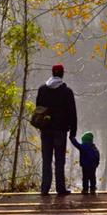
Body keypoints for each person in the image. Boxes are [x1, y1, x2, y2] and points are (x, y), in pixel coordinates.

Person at [36, 63, 77, 195]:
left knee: (46, 160)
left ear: (53, 73)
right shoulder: (67, 92)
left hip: (46, 130)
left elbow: (38, 109)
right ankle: (60, 189)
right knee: (60, 161)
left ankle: (45, 189)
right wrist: (73, 131)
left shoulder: (42, 89)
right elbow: (72, 113)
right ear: (62, 74)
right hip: (60, 131)